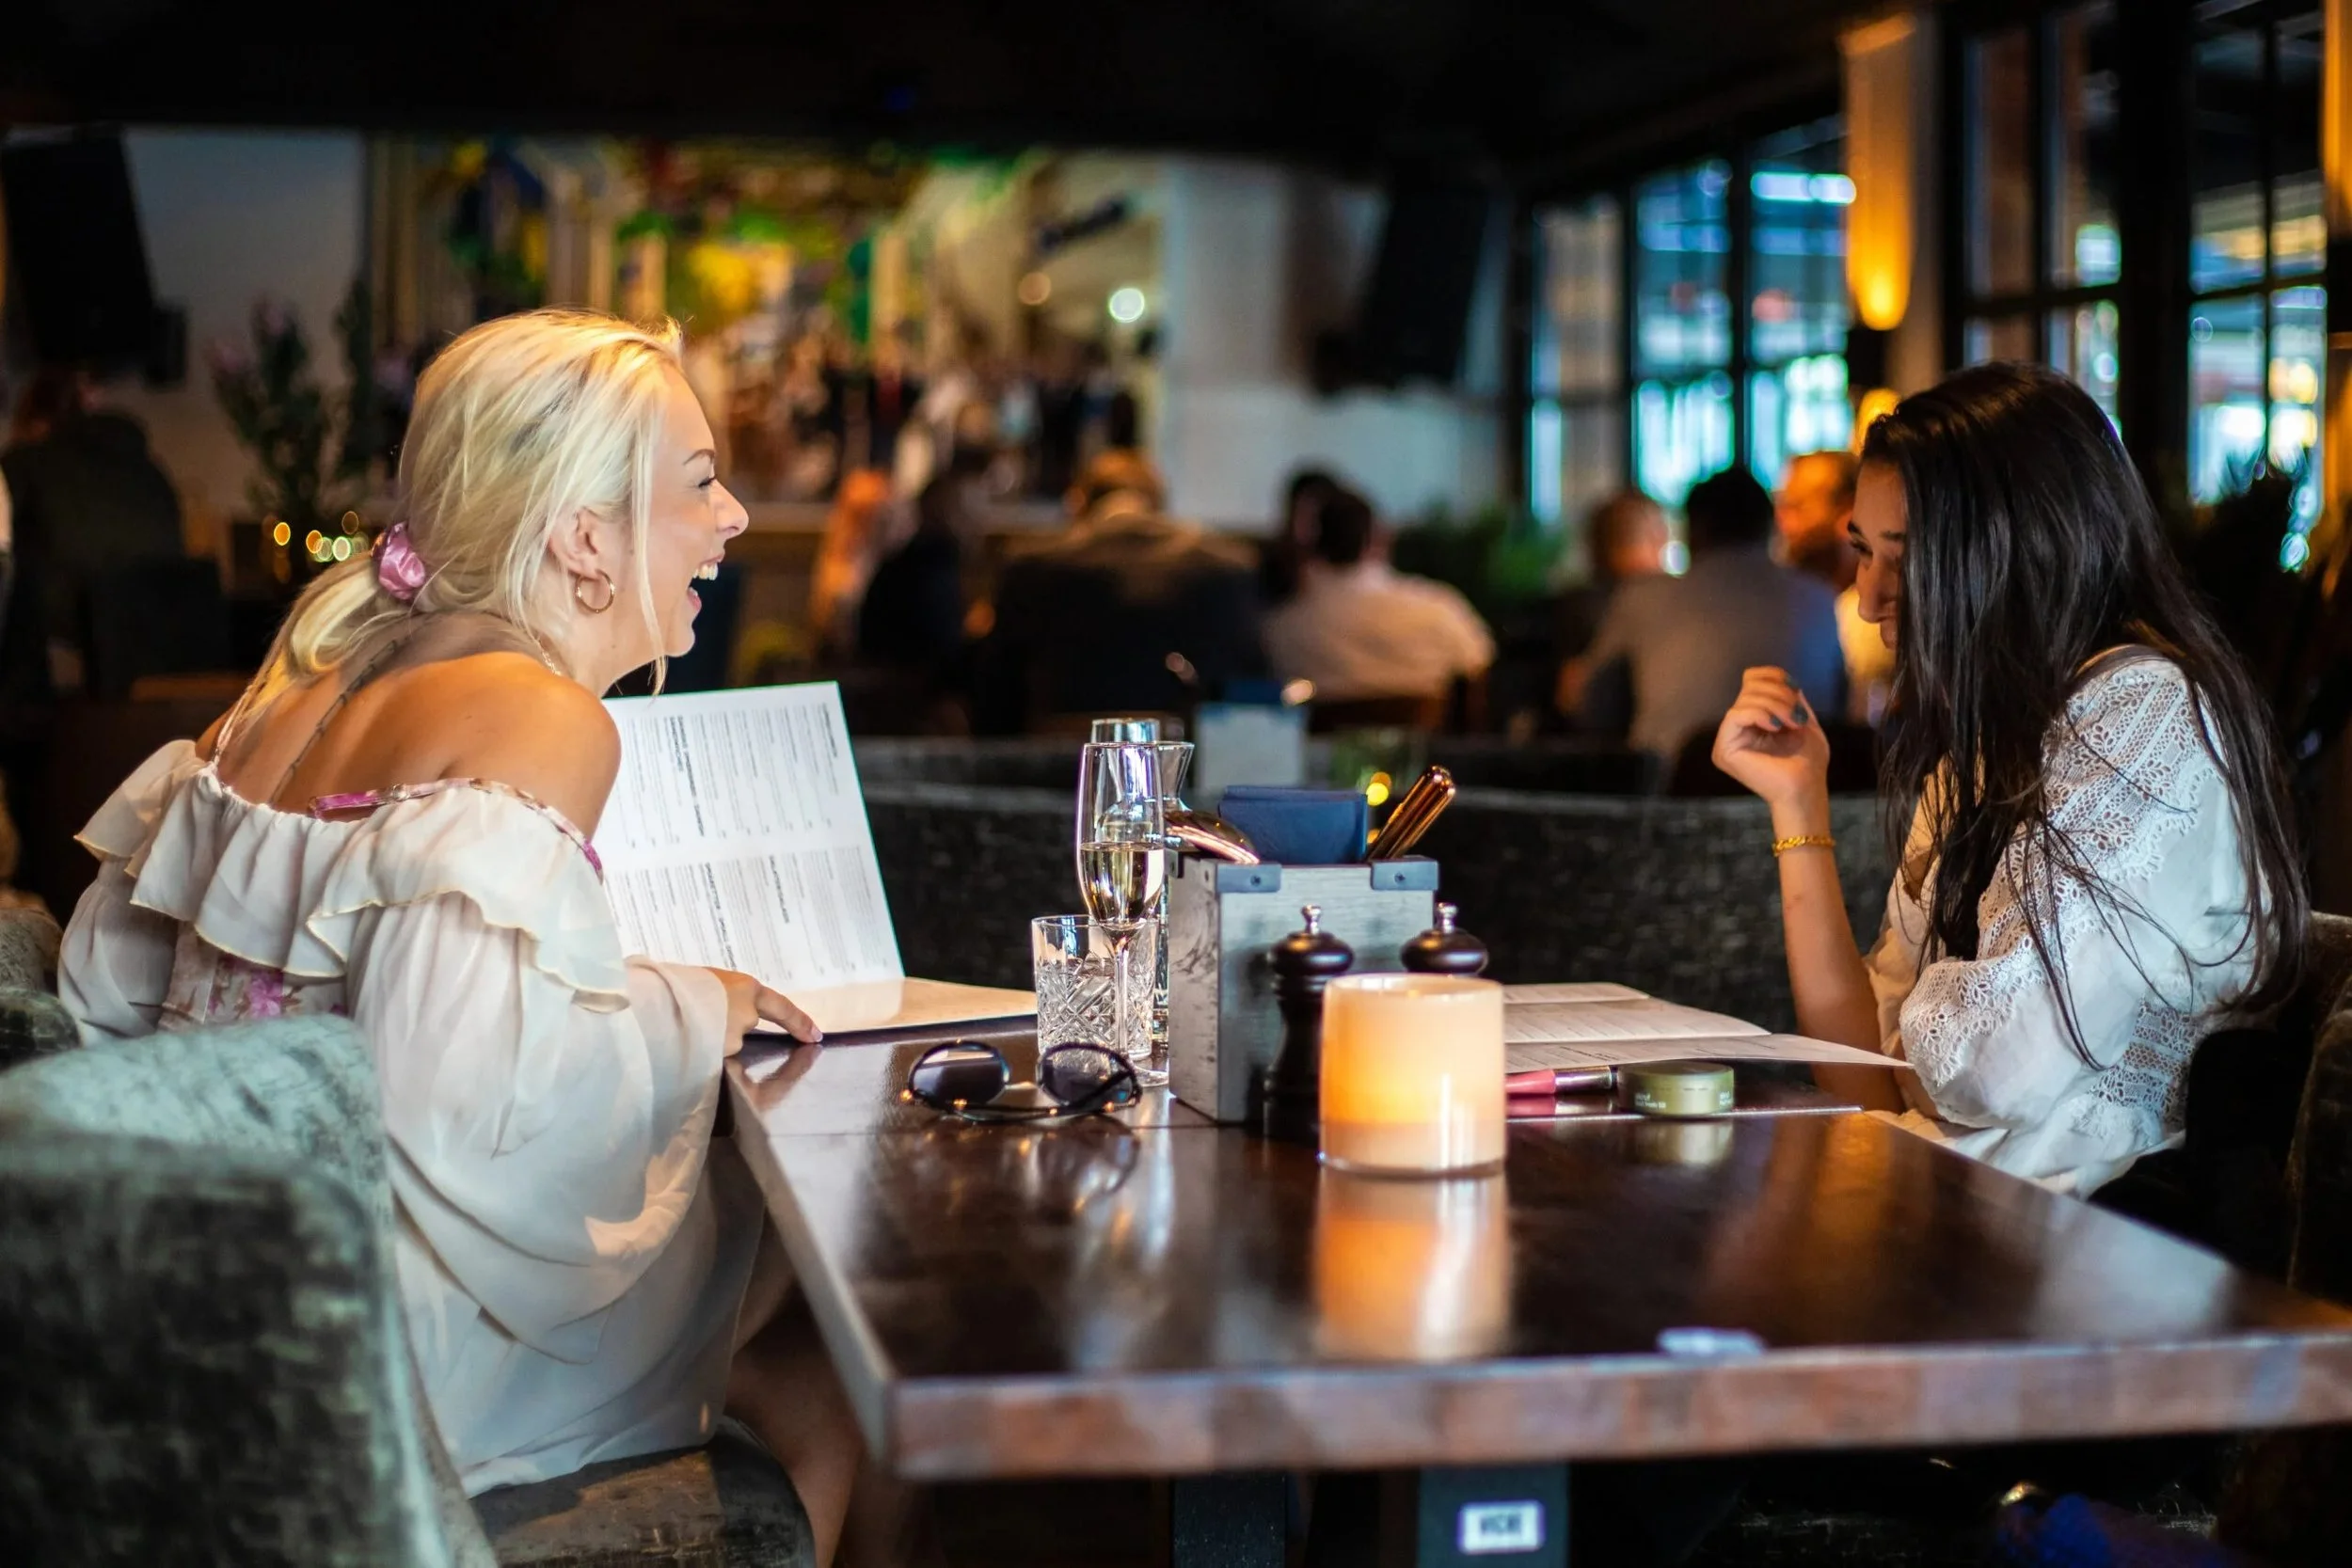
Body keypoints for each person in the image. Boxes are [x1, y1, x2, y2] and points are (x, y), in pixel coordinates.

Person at [53, 310, 882, 1563]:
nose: (735, 521)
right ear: (583, 537)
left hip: (212, 1289)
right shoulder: (543, 714)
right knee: (841, 1313)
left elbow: (112, 991)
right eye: (702, 481)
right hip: (385, 1340)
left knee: (802, 1338)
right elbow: (461, 1102)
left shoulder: (306, 673)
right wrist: (692, 1007)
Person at [1709, 362, 2307, 1196]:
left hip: (2096, 1254)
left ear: (2015, 550)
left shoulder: (2145, 713)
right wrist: (1797, 800)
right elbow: (1859, 1078)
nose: (1870, 594)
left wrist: (1914, 1046)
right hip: (1941, 1209)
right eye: (1861, 552)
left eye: (1906, 558)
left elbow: (1992, 1068)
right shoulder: (1992, 738)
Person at [974, 451, 1265, 731]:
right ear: (1159, 504)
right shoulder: (1229, 568)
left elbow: (994, 696)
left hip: (1056, 762)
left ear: (1078, 502)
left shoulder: (1027, 566)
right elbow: (1248, 690)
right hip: (1179, 765)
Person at [1565, 467, 1844, 760]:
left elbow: (1594, 708)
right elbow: (1840, 706)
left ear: (1694, 529)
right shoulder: (1820, 597)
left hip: (1675, 795)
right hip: (1797, 791)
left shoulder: (1644, 597)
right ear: (1769, 527)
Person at [0, 367, 186, 698]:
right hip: (169, 673)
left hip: (70, 680)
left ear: (36, 423)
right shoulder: (152, 472)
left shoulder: (25, 466)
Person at [1263, 488, 1494, 704]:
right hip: (1423, 744)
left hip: (1321, 745)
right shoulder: (1437, 608)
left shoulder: (1282, 629)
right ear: (1375, 537)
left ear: (1310, 546)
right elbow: (1479, 663)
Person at [1777, 449, 1897, 723]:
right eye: (1782, 507)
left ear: (1849, 513)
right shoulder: (1796, 602)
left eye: (1798, 507)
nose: (1784, 524)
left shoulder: (1871, 616)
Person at [808, 467, 892, 661]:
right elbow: (836, 637)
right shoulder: (841, 570)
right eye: (863, 515)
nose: (875, 523)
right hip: (853, 664)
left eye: (883, 515)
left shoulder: (896, 560)